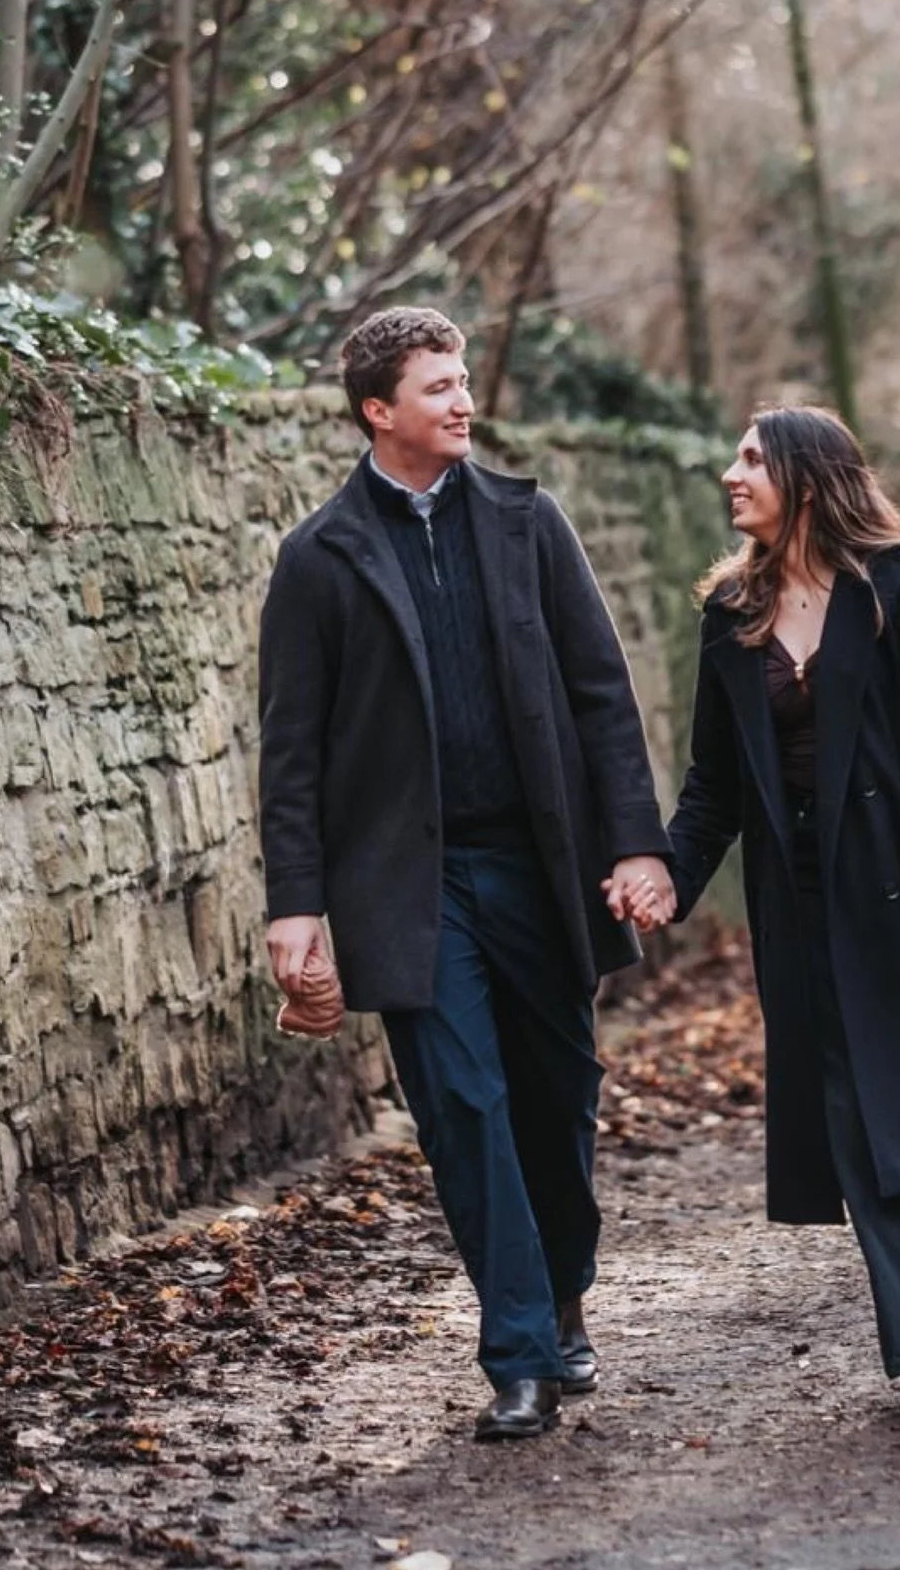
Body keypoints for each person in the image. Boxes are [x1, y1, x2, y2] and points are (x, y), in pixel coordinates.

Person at [258, 306, 675, 1442]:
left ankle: (564, 1293)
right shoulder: (319, 558)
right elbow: (291, 750)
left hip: (539, 867)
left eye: (462, 382)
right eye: (437, 387)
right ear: (377, 410)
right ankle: (521, 1354)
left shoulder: (529, 523)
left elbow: (601, 693)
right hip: (411, 886)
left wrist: (635, 841)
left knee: (558, 1098)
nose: (462, 402)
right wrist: (296, 904)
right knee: (463, 1109)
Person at [612, 405, 900, 1416]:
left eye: (752, 459)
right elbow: (714, 785)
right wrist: (668, 877)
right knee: (865, 1115)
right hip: (800, 906)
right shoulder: (731, 612)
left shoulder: (896, 589)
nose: (731, 474)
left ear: (809, 481)